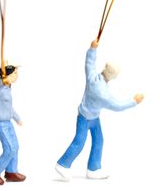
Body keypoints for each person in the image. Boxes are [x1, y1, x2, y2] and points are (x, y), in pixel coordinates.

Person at [55, 39, 144, 181]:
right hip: (84, 118)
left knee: (99, 140)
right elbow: (117, 105)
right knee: (79, 142)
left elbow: (89, 64)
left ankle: (93, 168)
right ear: (112, 75)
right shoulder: (102, 94)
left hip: (94, 118)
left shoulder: (93, 77)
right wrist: (134, 101)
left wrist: (92, 49)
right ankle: (62, 164)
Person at [0, 65, 26, 185]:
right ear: (5, 76)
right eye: (14, 74)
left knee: (15, 146)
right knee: (10, 148)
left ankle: (11, 171)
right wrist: (1, 81)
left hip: (8, 122)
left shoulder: (8, 88)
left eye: (16, 74)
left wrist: (17, 118)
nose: (16, 77)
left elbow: (9, 107)